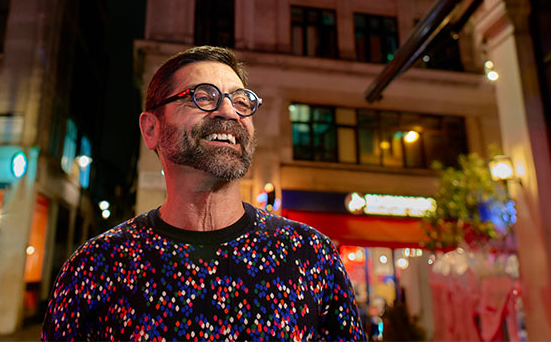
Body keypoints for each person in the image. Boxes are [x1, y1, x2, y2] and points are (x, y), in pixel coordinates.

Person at [42, 46, 365, 341]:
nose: (229, 112)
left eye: (241, 101)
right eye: (203, 96)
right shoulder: (96, 267)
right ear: (151, 129)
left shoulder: (311, 255)